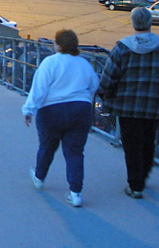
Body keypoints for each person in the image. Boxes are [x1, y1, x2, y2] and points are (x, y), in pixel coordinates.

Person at [98, 7, 159, 199]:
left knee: (131, 146)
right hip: (154, 106)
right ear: (150, 22)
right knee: (148, 142)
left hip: (127, 106)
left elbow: (109, 76)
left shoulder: (122, 48)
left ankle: (135, 185)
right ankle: (143, 177)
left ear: (133, 23)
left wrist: (104, 95)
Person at [21, 29, 100, 208]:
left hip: (52, 111)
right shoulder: (84, 63)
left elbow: (39, 89)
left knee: (47, 146)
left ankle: (40, 177)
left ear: (58, 44)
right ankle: (76, 192)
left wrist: (29, 110)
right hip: (80, 109)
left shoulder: (50, 62)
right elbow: (94, 84)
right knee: (74, 152)